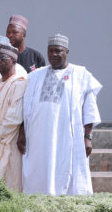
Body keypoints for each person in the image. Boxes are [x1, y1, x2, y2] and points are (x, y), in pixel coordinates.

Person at [21, 34, 102, 195]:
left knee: (68, 172)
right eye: (50, 51)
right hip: (39, 138)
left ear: (67, 52)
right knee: (39, 171)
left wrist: (88, 137)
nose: (53, 55)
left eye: (58, 51)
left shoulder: (81, 74)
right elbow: (25, 108)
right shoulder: (36, 75)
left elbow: (90, 109)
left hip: (68, 136)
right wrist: (22, 133)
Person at [0, 44, 27, 192]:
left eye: (3, 58)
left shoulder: (20, 83)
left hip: (8, 143)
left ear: (14, 61)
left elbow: (14, 117)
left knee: (9, 184)